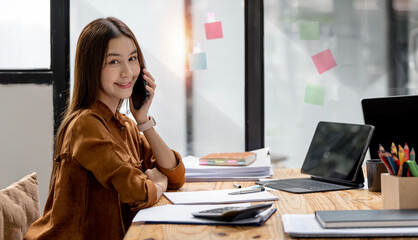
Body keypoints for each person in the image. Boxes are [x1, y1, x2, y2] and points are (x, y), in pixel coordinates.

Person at [24, 17, 185, 240]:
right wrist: (157, 183)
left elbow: (175, 175)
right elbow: (137, 191)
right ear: (92, 67)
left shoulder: (124, 124)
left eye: (132, 58)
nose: (128, 72)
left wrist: (143, 121)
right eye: (114, 62)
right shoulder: (85, 124)